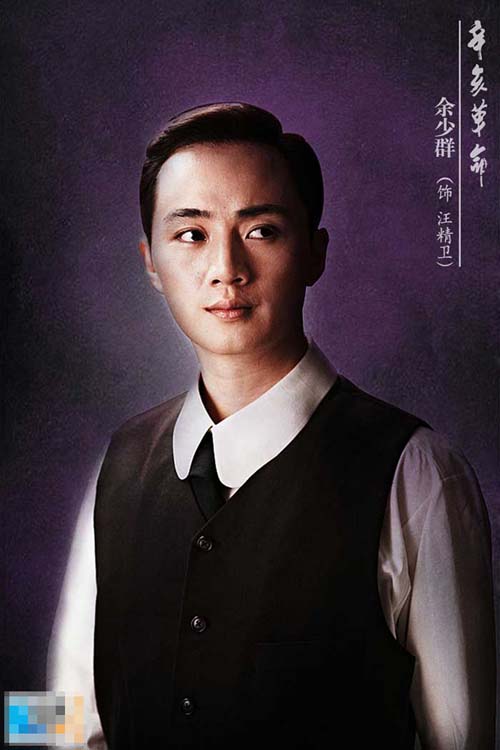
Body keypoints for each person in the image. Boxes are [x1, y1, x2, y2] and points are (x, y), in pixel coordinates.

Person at [47, 102, 496, 749]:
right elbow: (65, 712)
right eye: (191, 234)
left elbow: (464, 736)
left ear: (315, 252)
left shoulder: (416, 474)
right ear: (150, 262)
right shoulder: (116, 467)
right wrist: (13, 722)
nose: (225, 268)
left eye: (261, 230)